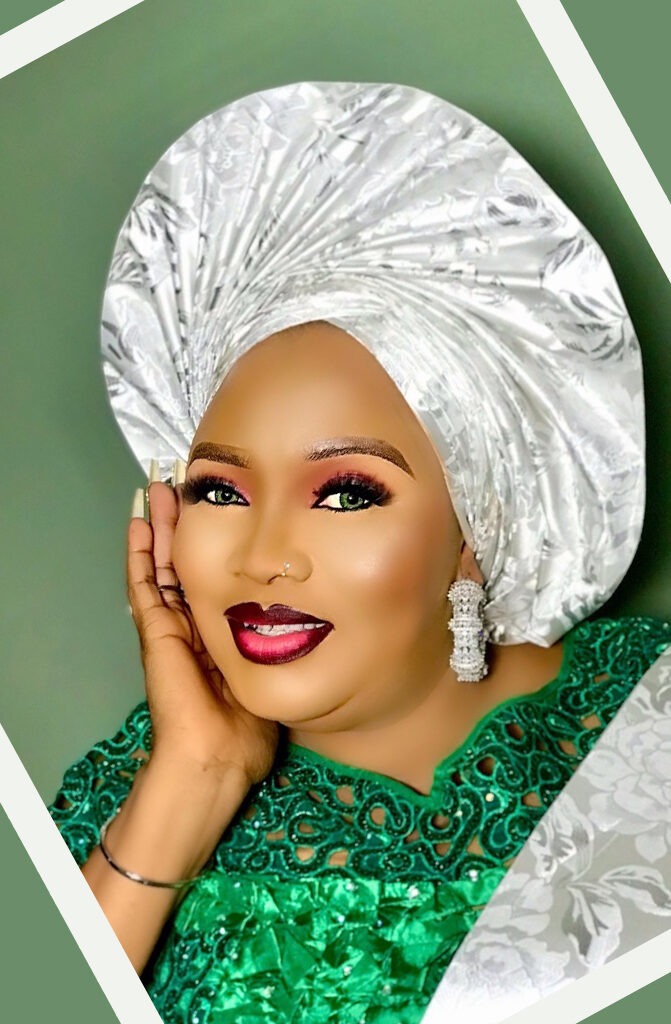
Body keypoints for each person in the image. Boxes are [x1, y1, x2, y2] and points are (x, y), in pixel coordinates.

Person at [48, 83, 671, 1024]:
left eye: (346, 493)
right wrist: (191, 783)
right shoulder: (105, 810)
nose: (262, 556)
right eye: (220, 490)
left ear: (478, 526)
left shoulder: (645, 718)